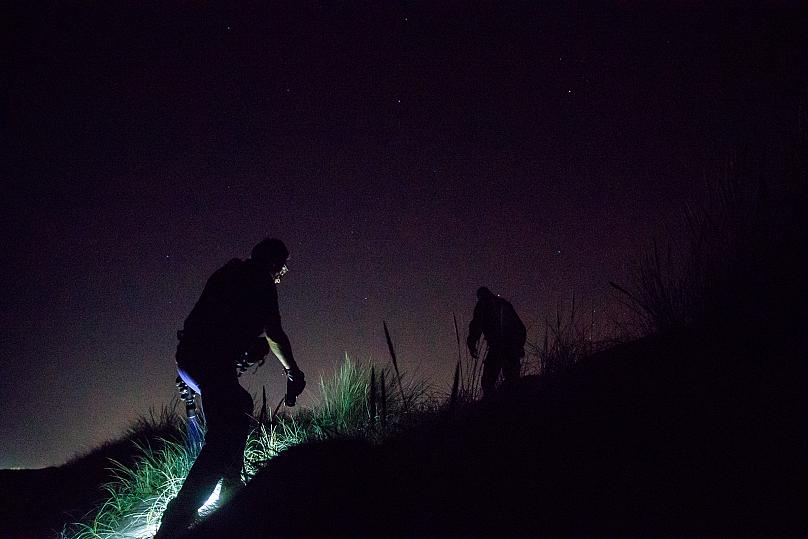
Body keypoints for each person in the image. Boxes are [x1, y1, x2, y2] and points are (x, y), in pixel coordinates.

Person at [155, 238, 305, 538]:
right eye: (282, 266)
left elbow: (206, 320)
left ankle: (230, 497)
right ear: (274, 263)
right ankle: (175, 524)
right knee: (223, 438)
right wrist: (292, 371)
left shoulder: (228, 273)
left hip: (192, 359)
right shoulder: (260, 279)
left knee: (239, 408)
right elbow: (273, 332)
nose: (282, 273)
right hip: (208, 361)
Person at [467, 286, 526, 399]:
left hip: (498, 345)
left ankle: (491, 410)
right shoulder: (505, 304)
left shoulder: (484, 303)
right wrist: (519, 345)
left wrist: (472, 341)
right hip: (513, 345)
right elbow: (521, 327)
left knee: (488, 381)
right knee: (513, 380)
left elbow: (476, 323)